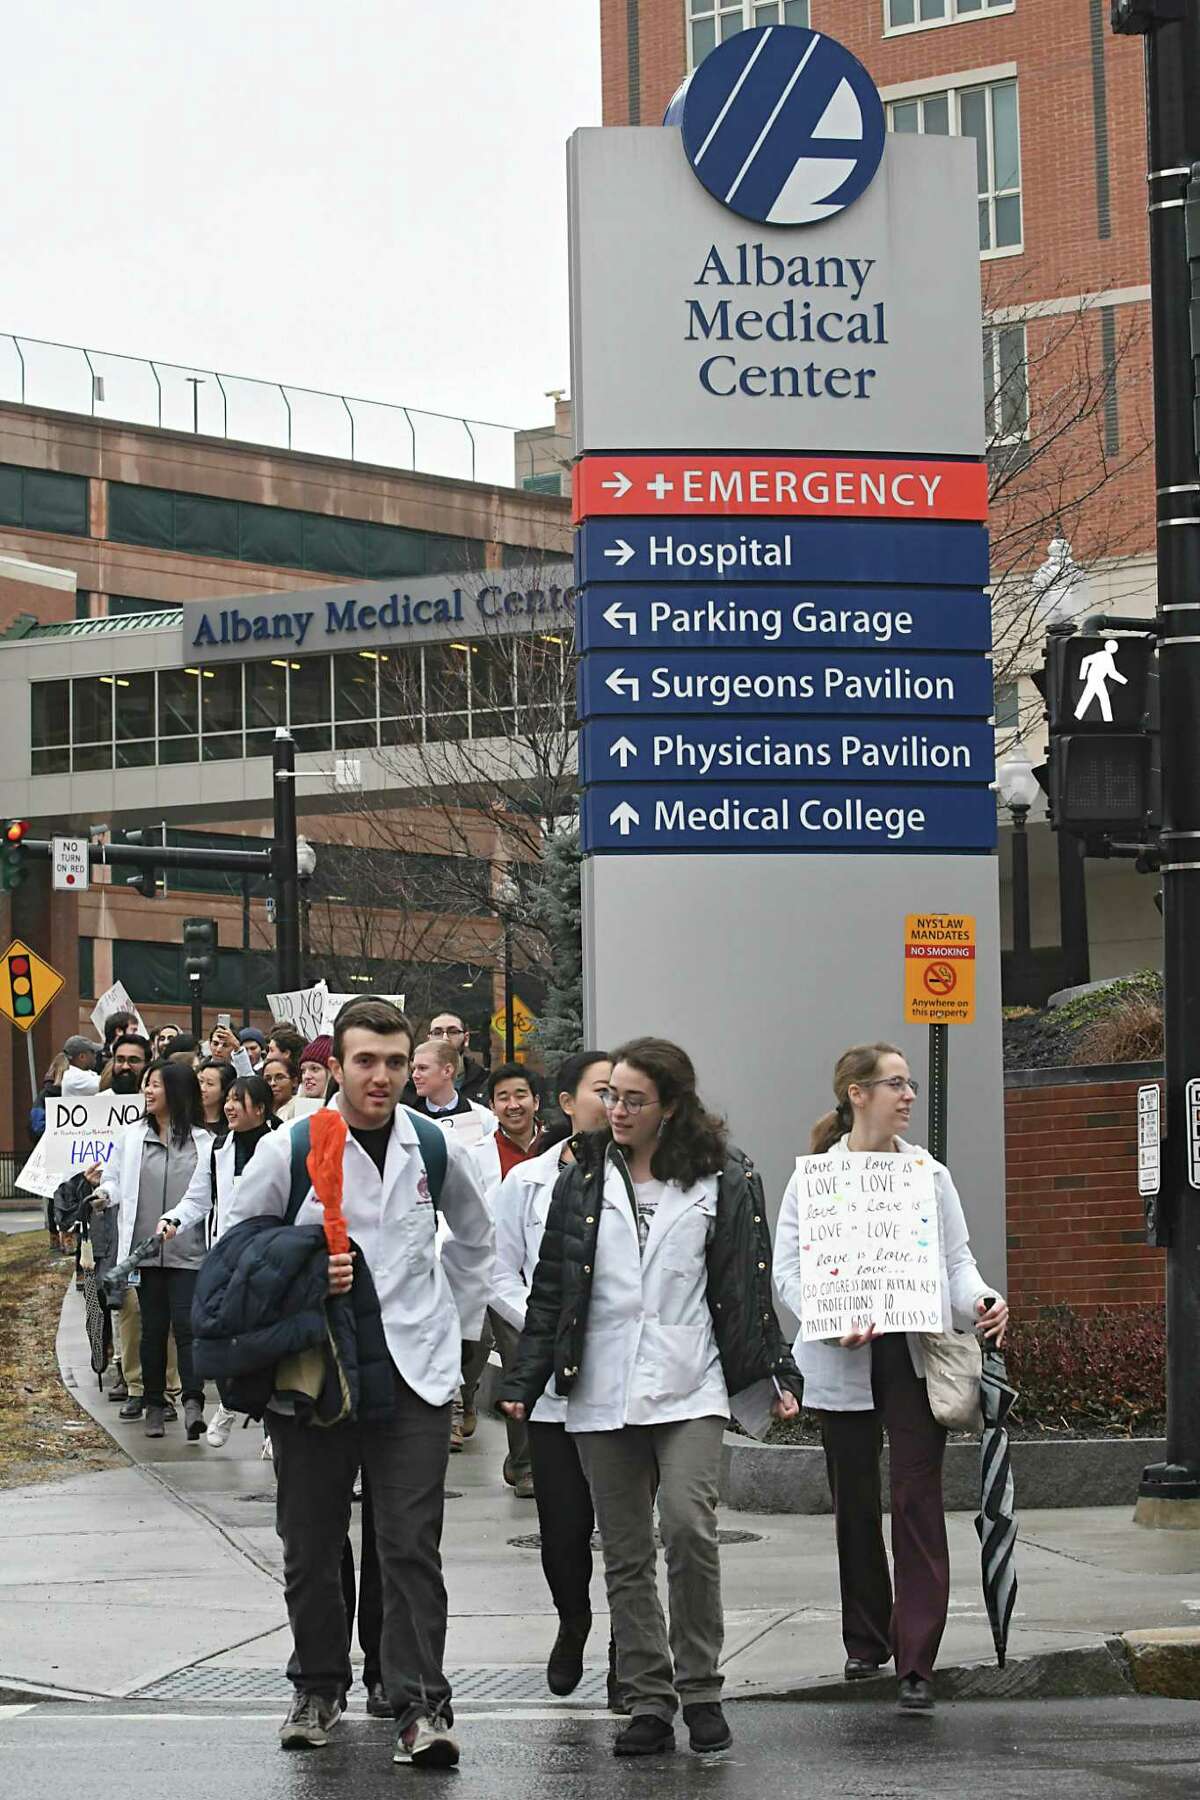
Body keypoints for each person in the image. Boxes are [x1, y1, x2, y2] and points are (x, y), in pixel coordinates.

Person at [500, 1037, 801, 1759]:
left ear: (671, 1106)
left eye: (634, 1099)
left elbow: (744, 1290)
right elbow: (550, 1288)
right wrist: (523, 1381)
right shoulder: (581, 1178)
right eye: (611, 1097)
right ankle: (648, 1698)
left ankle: (701, 1687)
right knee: (627, 1549)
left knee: (691, 1528)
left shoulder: (721, 1178)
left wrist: (775, 1372)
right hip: (600, 1384)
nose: (618, 1110)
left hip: (688, 1377)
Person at [222, 996, 493, 1767]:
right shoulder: (294, 1144)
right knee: (311, 1542)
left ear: (414, 1068)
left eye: (396, 1062)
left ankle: (419, 1704)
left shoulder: (435, 1148)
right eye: (365, 1061)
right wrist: (307, 1258)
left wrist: (455, 1333)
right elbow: (237, 1248)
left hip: (413, 1377)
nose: (381, 1076)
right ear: (334, 1066)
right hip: (315, 1377)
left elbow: (476, 1245)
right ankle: (317, 1685)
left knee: (410, 1546)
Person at [772, 1042, 1009, 1715]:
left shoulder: (928, 1174)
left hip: (914, 1355)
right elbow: (788, 1271)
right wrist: (827, 1316)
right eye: (895, 1084)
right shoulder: (815, 1178)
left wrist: (984, 1301)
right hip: (842, 1355)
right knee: (854, 1503)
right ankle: (865, 1640)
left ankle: (917, 1659)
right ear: (857, 1093)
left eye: (910, 1084)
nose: (908, 1096)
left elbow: (956, 1262)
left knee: (916, 1499)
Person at [491, 1051, 619, 1684]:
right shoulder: (527, 1182)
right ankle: (573, 1620)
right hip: (553, 1385)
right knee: (563, 1528)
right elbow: (497, 1271)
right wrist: (550, 1325)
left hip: (622, 1382)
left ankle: (633, 1649)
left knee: (626, 1528)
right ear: (567, 1103)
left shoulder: (642, 1177)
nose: (616, 1102)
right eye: (603, 1091)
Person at [88, 1060, 215, 1442]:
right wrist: (102, 1194)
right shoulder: (131, 1138)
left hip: (189, 1253)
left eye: (155, 1085)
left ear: (175, 1091)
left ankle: (193, 1400)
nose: (148, 1091)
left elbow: (205, 1198)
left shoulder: (205, 1143)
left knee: (187, 1328)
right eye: (147, 1084)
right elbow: (114, 1180)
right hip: (143, 1253)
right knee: (151, 1329)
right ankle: (154, 1405)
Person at [205, 1074, 279, 1449]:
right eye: (228, 1099)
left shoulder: (281, 1145)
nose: (229, 1106)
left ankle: (271, 1428)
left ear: (261, 1108)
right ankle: (229, 1404)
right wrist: (174, 1220)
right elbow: (202, 1199)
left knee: (265, 1344)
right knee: (223, 1339)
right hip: (226, 1259)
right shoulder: (219, 1147)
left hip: (268, 1262)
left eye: (239, 1100)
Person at [471, 1063, 542, 1203]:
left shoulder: (559, 1146)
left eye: (520, 1096)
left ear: (536, 1102)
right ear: (492, 1107)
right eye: (504, 1098)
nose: (513, 1105)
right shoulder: (476, 1156)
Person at [409, 1038, 497, 1135]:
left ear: (447, 1071)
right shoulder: (407, 1118)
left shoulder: (483, 1117)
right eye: (414, 1069)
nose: (415, 1075)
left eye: (422, 1068)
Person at [427, 1011, 488, 1104]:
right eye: (437, 1032)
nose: (445, 1038)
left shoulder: (485, 1082)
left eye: (453, 1032)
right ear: (429, 1039)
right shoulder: (415, 1085)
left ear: (466, 1038)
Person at [197, 1056, 237, 1131]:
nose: (202, 1088)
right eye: (201, 1081)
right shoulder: (187, 1120)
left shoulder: (233, 1125)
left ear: (224, 1090)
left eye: (210, 1084)